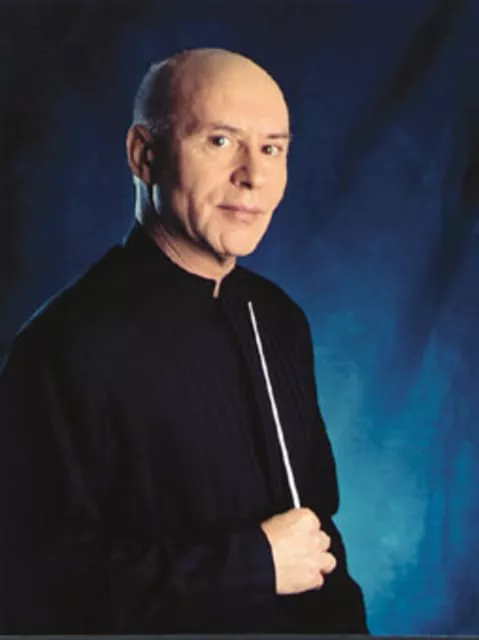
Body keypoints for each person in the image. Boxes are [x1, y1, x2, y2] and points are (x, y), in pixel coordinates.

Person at [0, 48, 368, 633]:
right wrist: (252, 564)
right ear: (144, 155)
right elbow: (35, 590)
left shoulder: (280, 319)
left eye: (272, 148)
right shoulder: (62, 347)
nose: (253, 176)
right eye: (220, 141)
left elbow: (318, 540)